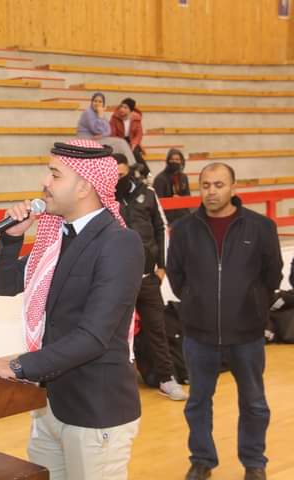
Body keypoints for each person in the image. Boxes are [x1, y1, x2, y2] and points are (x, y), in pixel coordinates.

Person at [0, 139, 145, 480]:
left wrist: (17, 366)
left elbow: (93, 337)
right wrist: (12, 238)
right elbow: (6, 285)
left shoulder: (118, 243)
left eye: (55, 174)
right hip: (50, 406)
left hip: (95, 412)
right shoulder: (57, 238)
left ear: (84, 186)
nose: (45, 182)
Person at [167, 163, 283, 480]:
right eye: (205, 185)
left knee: (254, 403)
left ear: (233, 187)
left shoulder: (260, 227)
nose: (211, 191)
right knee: (197, 403)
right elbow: (176, 276)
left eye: (219, 185)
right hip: (198, 335)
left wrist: (252, 305)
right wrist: (195, 301)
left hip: (247, 335)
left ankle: (254, 463)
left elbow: (272, 276)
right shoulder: (184, 230)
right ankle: (202, 460)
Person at [114, 154, 187, 401]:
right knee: (116, 333)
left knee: (157, 329)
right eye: (114, 175)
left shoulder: (148, 193)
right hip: (116, 280)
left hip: (147, 277)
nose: (118, 179)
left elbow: (161, 228)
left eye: (122, 174)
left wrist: (162, 267)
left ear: (129, 172)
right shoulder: (102, 198)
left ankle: (167, 378)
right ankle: (119, 383)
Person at [76, 92, 136, 167]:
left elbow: (108, 131)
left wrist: (102, 135)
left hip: (97, 139)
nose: (97, 103)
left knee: (121, 143)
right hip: (86, 141)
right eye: (95, 101)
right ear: (92, 102)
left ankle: (131, 165)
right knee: (120, 143)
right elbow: (96, 130)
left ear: (103, 104)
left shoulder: (100, 113)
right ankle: (131, 165)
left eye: (100, 102)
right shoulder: (88, 113)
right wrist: (100, 117)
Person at [110, 98, 149, 177]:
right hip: (119, 140)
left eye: (125, 108)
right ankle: (133, 174)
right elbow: (112, 134)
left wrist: (134, 143)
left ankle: (146, 174)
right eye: (121, 106)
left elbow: (139, 134)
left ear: (130, 111)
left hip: (131, 140)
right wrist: (121, 144)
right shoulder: (114, 118)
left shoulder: (136, 119)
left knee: (135, 152)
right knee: (125, 155)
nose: (122, 109)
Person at [154, 148, 191, 224]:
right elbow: (157, 202)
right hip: (167, 216)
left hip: (183, 214)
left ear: (181, 161)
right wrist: (171, 200)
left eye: (177, 160)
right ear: (168, 161)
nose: (174, 162)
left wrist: (180, 199)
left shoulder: (183, 177)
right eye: (172, 159)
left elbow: (188, 196)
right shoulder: (160, 179)